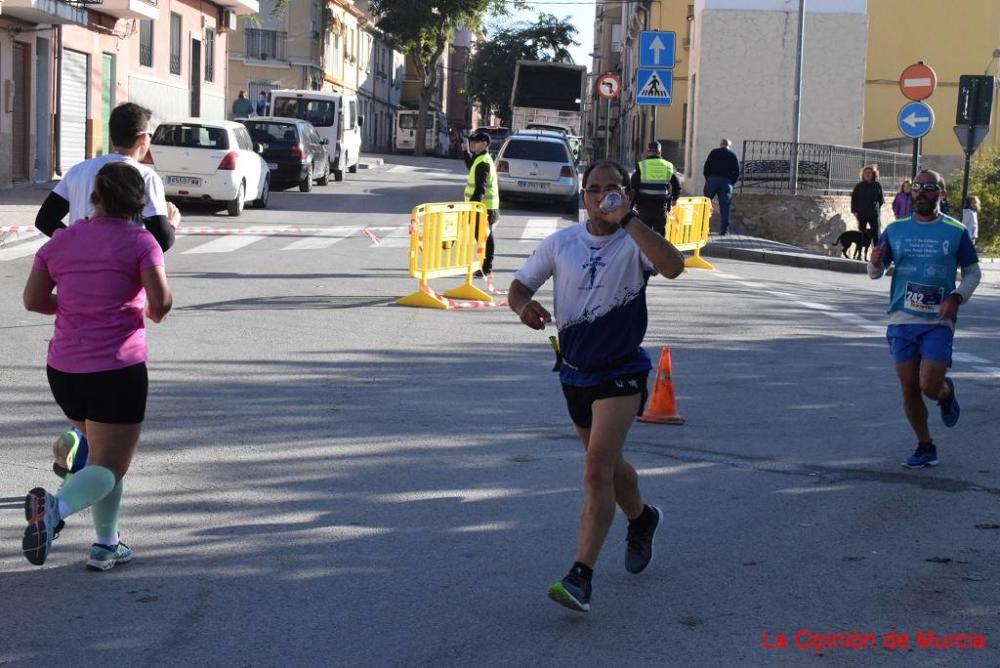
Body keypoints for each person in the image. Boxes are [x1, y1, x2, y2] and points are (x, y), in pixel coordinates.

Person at [508, 159, 686, 613]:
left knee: (593, 471)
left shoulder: (635, 241)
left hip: (622, 369)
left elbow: (673, 267)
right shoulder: (561, 242)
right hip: (574, 371)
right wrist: (524, 307)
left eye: (613, 188)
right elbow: (518, 287)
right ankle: (642, 519)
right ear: (582, 195)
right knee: (606, 464)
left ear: (625, 193)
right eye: (594, 189)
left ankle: (580, 576)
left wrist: (628, 219)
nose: (602, 196)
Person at [21, 161, 172, 570]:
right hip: (115, 369)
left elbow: (33, 300)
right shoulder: (142, 241)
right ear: (138, 202)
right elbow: (161, 304)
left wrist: (75, 308)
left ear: (94, 198)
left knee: (101, 454)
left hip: (65, 370)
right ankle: (55, 509)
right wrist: (140, 311)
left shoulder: (58, 242)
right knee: (109, 465)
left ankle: (107, 542)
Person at [868, 170, 981, 469]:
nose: (920, 193)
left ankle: (945, 393)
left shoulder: (955, 231)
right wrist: (875, 262)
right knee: (909, 387)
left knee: (929, 385)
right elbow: (876, 272)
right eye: (916, 188)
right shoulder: (896, 229)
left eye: (928, 188)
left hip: (938, 320)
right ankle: (925, 445)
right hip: (902, 318)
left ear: (941, 195)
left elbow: (973, 273)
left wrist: (956, 297)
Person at [34, 102, 179, 252]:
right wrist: (172, 224)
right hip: (121, 269)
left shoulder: (77, 171)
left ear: (112, 136)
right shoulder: (146, 177)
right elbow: (163, 240)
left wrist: (75, 242)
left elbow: (45, 220)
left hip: (78, 266)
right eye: (150, 135)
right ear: (142, 138)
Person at [462, 130, 499, 276]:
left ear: (484, 144)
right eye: (471, 142)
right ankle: (485, 266)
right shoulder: (480, 158)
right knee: (483, 237)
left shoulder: (483, 162)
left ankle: (486, 267)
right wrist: (465, 152)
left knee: (486, 237)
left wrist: (473, 207)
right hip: (484, 207)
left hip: (485, 208)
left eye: (475, 142)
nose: (472, 144)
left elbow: (480, 189)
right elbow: (471, 166)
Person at [630, 141, 680, 237]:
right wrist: (674, 199)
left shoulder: (642, 165)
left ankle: (644, 251)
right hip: (661, 206)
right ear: (660, 152)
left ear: (648, 152)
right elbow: (677, 185)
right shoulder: (668, 166)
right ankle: (658, 251)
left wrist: (631, 205)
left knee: (644, 234)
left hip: (644, 205)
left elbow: (634, 186)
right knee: (659, 235)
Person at [702, 138, 741, 235]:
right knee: (725, 207)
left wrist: (709, 179)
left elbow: (706, 167)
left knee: (706, 204)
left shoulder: (713, 153)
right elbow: (737, 172)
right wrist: (730, 183)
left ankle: (703, 228)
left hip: (712, 180)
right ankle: (724, 230)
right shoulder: (732, 155)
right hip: (726, 183)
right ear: (729, 146)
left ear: (721, 144)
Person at [851, 165, 884, 249]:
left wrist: (877, 207)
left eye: (870, 173)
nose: (868, 174)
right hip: (862, 214)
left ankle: (876, 252)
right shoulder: (859, 186)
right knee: (861, 234)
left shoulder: (877, 185)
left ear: (873, 174)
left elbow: (881, 199)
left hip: (873, 213)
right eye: (866, 173)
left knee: (876, 234)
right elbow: (854, 199)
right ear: (863, 174)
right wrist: (854, 211)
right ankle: (859, 253)